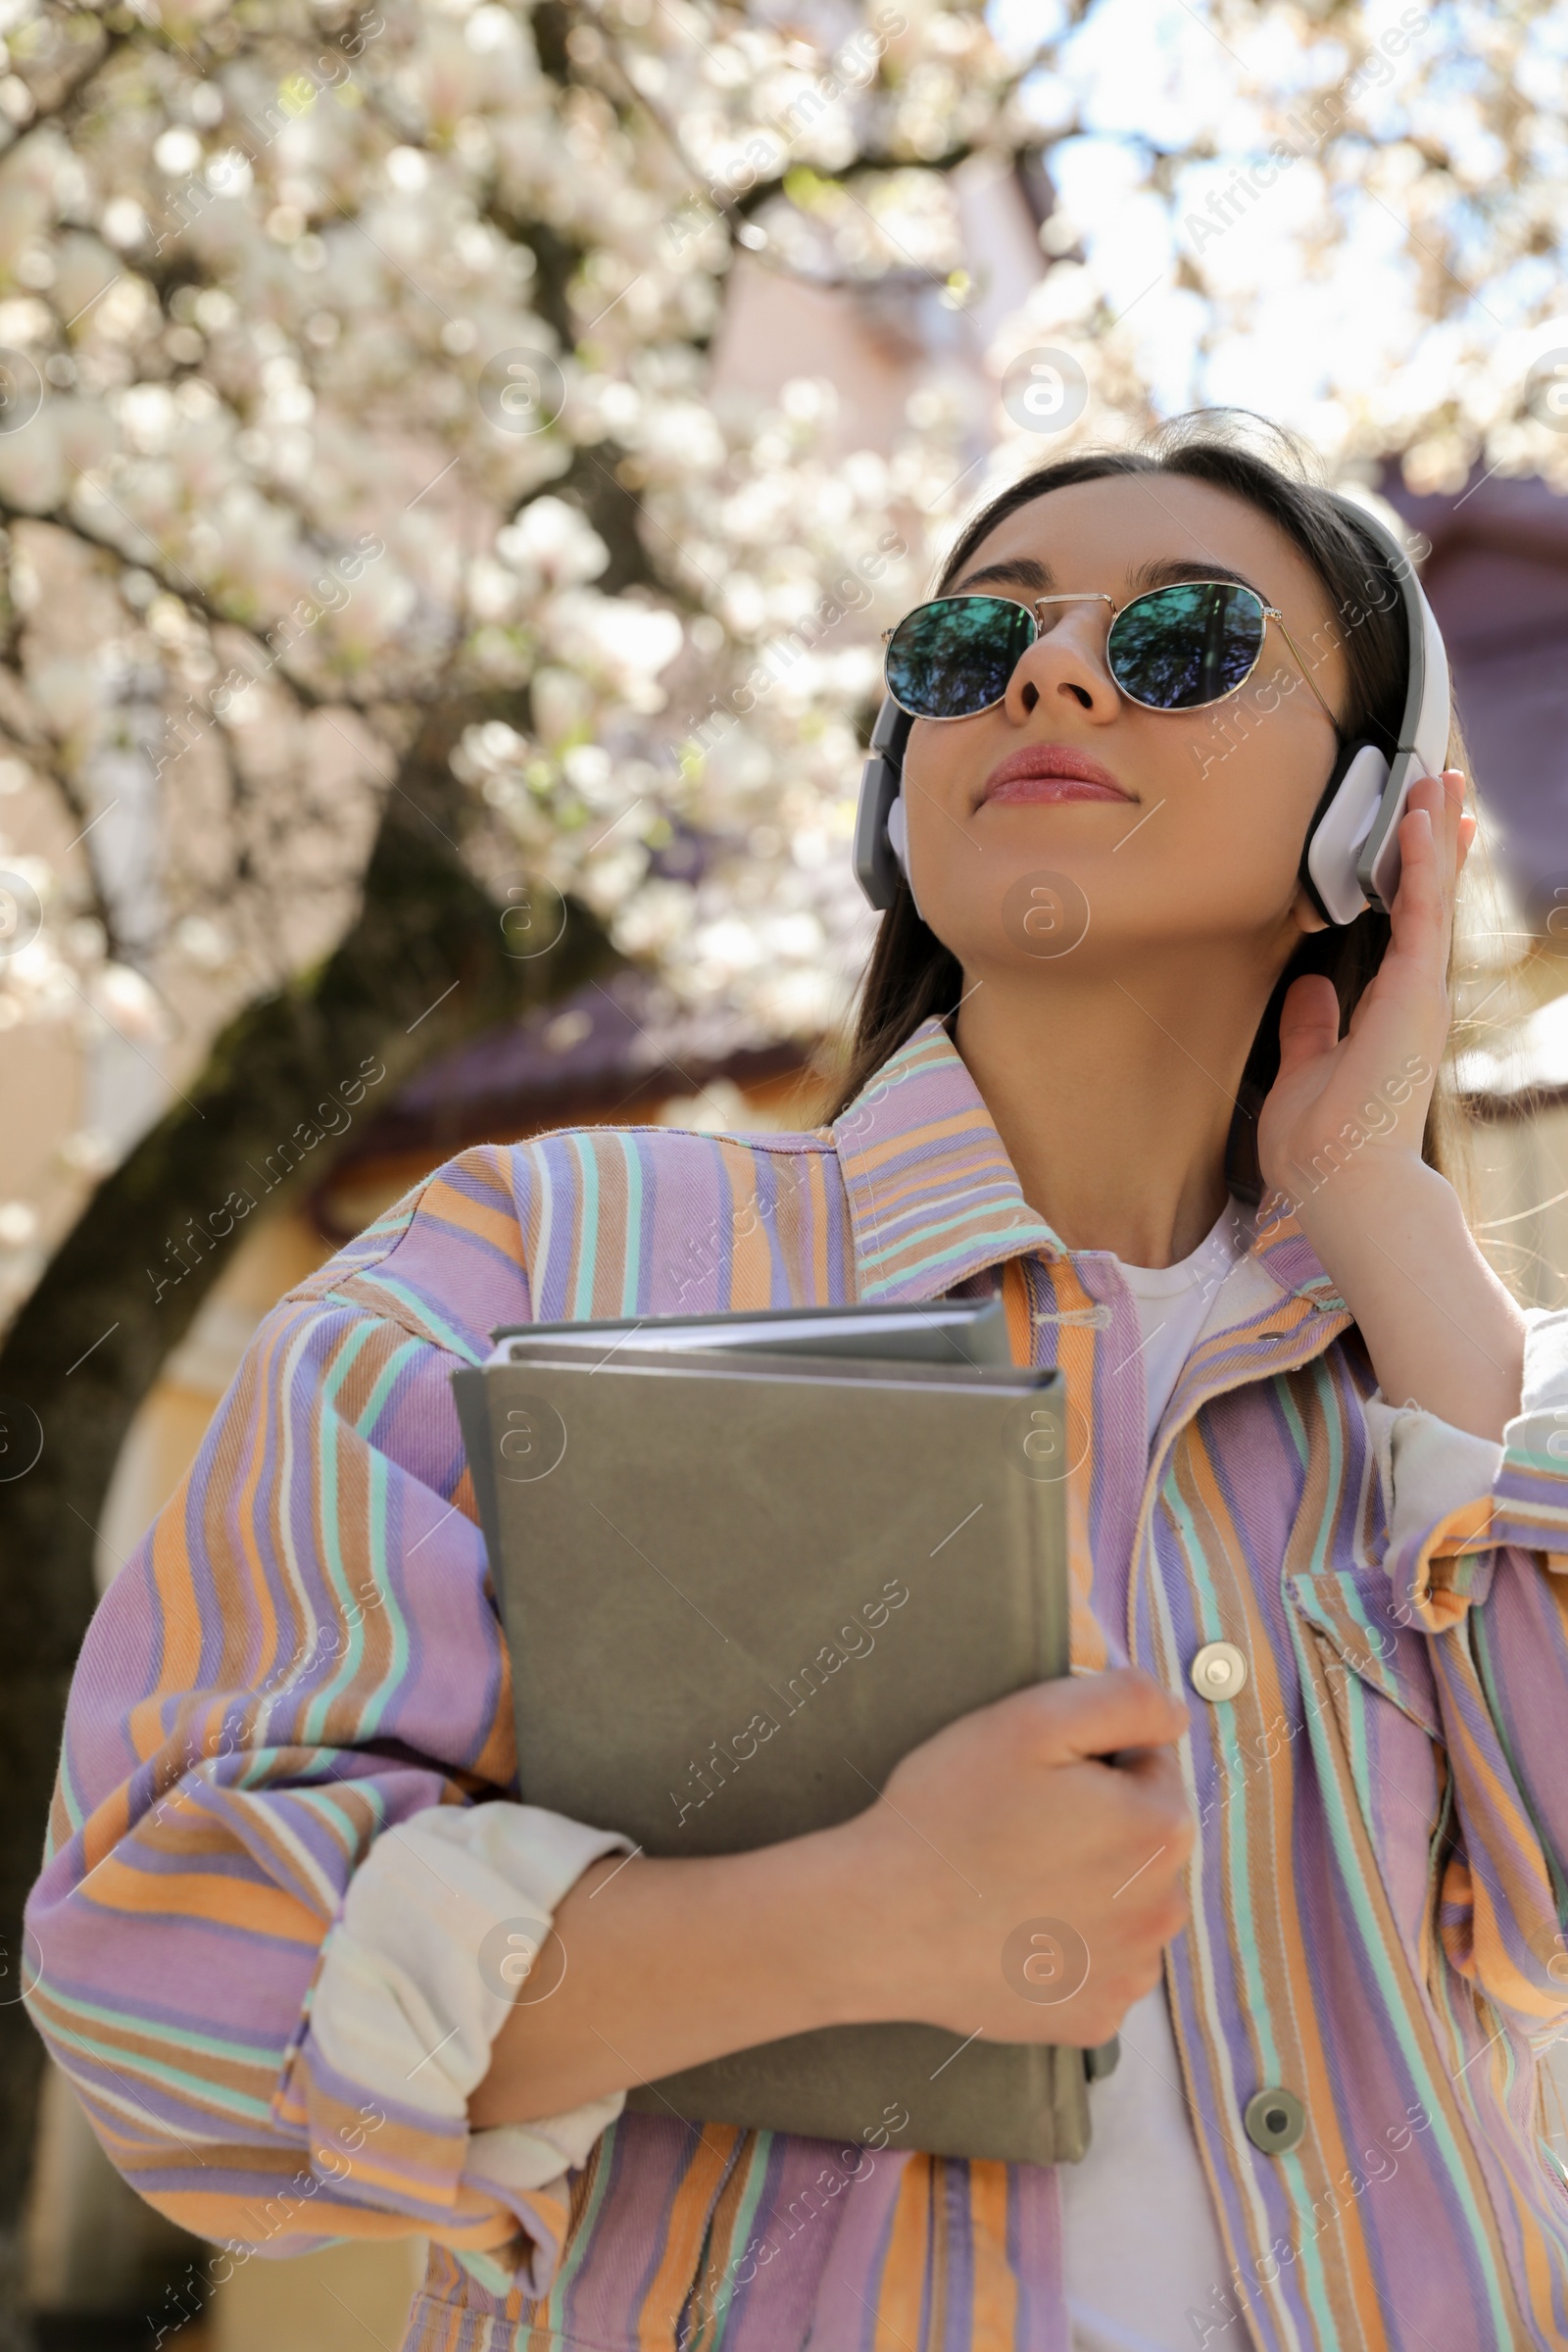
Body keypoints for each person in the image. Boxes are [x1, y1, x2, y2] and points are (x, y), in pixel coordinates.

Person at [24, 413, 1568, 2352]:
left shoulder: (1450, 1407)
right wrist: (855, 1919)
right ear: (890, 796)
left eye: (1180, 638)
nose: (1049, 668)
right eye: (964, 645)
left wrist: (1387, 1221)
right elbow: (162, 1977)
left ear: (1372, 824)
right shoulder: (519, 1269)